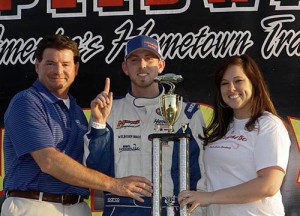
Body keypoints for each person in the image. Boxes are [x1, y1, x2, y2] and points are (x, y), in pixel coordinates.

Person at [1, 34, 152, 216]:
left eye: (65, 64)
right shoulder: (26, 102)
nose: (58, 71)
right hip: (34, 205)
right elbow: (48, 161)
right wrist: (115, 184)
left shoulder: (76, 111)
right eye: (50, 63)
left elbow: (90, 163)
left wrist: (98, 122)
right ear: (37, 66)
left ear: (76, 68)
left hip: (77, 207)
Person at [84, 35, 207, 215]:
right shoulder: (109, 111)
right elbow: (94, 170)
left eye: (149, 58)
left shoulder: (187, 113)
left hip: (172, 209)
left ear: (161, 65)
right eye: (134, 60)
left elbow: (199, 175)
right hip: (122, 208)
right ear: (125, 68)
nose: (142, 65)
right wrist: (98, 124)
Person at [178, 54, 291, 215]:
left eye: (238, 81)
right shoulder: (221, 129)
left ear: (254, 83)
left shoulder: (268, 125)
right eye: (225, 83)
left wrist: (210, 197)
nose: (231, 88)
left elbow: (269, 185)